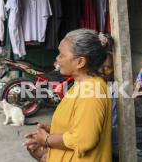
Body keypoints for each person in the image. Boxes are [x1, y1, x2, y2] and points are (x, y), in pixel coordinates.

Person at [24, 29, 112, 162]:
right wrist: (51, 131)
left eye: (61, 55)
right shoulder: (81, 86)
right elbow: (78, 126)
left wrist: (47, 139)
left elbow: (84, 140)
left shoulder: (92, 92)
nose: (57, 59)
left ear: (80, 62)